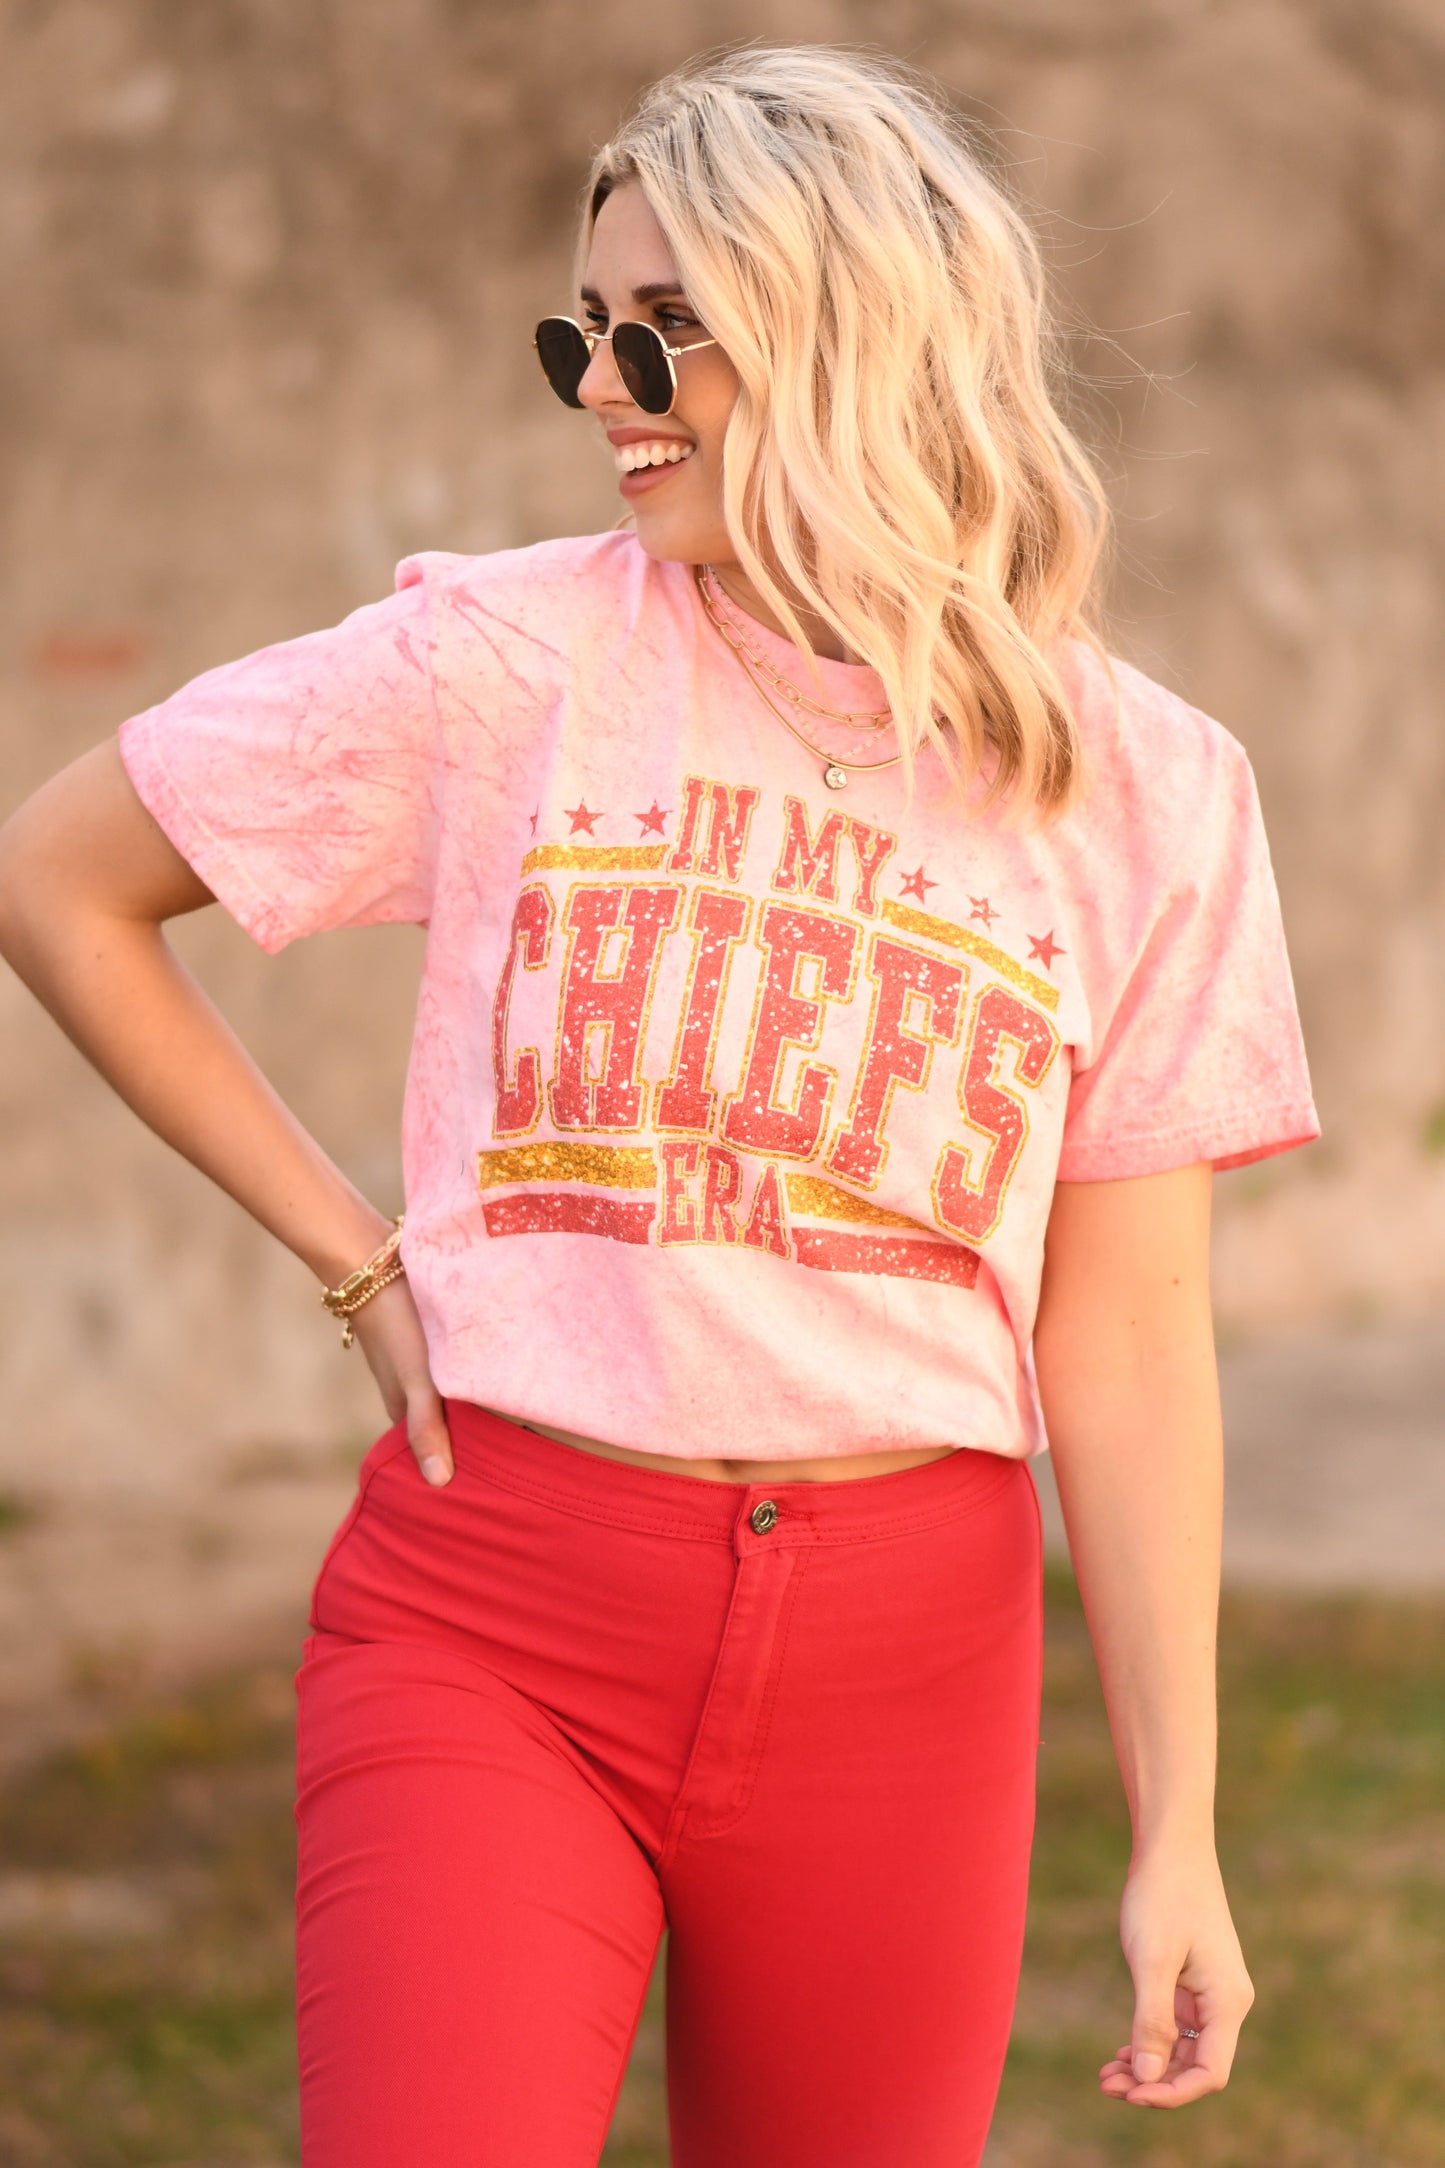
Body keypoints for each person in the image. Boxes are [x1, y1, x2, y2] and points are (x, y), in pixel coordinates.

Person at [0, 42, 1320, 2168]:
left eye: (663, 330)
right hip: (494, 1614)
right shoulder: (508, 664)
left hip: (908, 1665)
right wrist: (357, 1262)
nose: (604, 387)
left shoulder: (1144, 790)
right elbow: (57, 880)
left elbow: (1132, 1335)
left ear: (849, 331)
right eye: (582, 333)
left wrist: (1183, 1831)